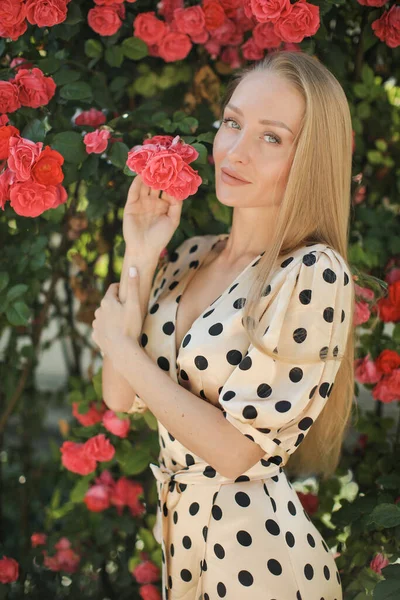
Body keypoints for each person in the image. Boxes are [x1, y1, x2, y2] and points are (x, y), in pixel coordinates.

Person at [101, 51, 355, 600]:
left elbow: (239, 453)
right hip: (182, 542)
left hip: (257, 557)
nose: (234, 151)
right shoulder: (192, 254)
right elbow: (121, 395)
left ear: (309, 159)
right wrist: (139, 252)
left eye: (271, 138)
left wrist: (122, 346)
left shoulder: (312, 272)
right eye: (232, 123)